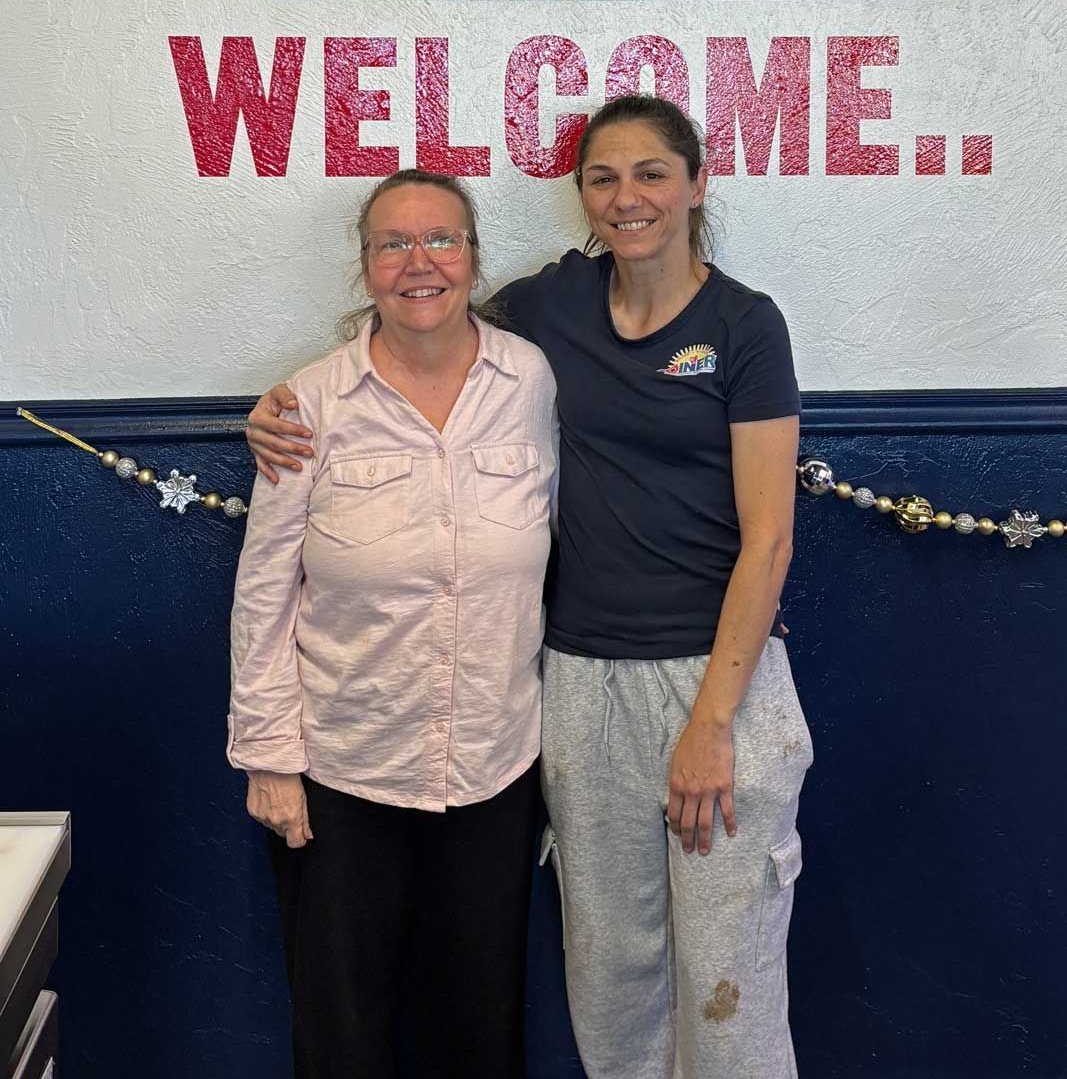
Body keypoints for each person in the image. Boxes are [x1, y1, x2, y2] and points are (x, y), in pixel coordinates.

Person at [247, 95, 811, 1079]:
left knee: (725, 976)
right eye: (601, 177)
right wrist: (276, 405)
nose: (626, 197)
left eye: (649, 173)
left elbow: (767, 539)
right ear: (580, 196)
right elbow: (419, 318)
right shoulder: (549, 308)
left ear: (695, 183)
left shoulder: (738, 325)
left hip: (707, 682)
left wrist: (714, 721)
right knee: (609, 977)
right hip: (575, 686)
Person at [228, 168, 557, 1079]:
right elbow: (264, 591)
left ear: (474, 256)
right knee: (343, 1031)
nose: (420, 263)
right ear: (365, 266)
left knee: (481, 1027)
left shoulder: (530, 381)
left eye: (441, 239)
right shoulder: (309, 402)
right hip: (344, 768)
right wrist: (269, 759)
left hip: (495, 763)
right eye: (393, 243)